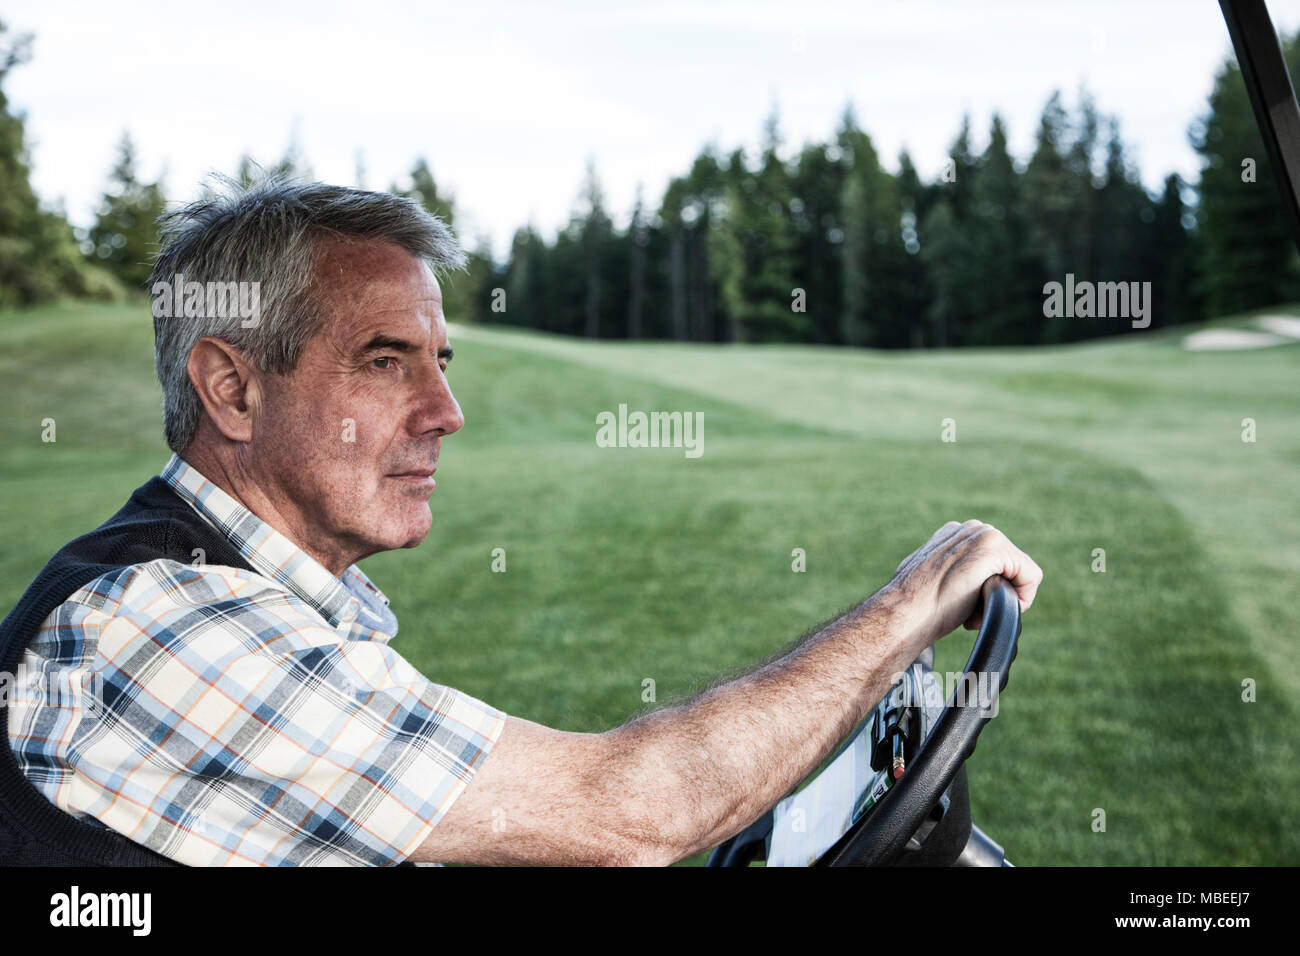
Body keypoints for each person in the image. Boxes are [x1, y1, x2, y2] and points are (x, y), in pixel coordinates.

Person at [0, 178, 1042, 867]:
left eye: (439, 361)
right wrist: (920, 591)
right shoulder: (168, 624)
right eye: (383, 359)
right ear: (232, 389)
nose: (445, 411)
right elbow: (634, 809)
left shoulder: (252, 597)